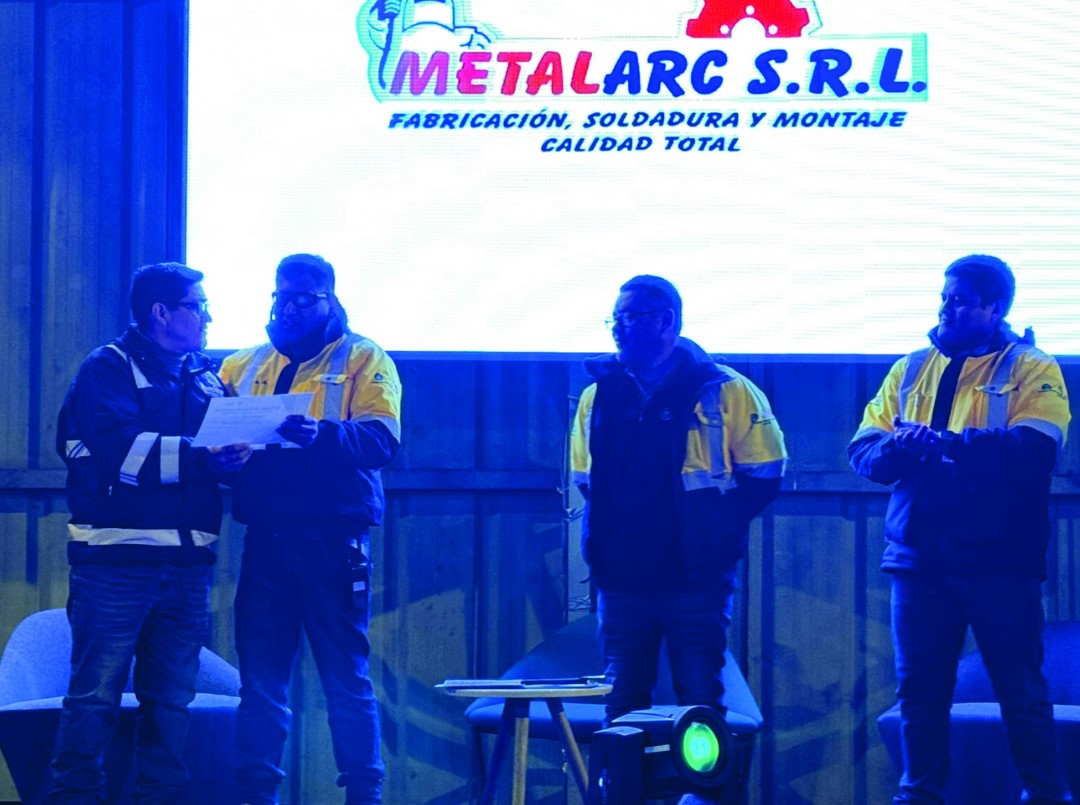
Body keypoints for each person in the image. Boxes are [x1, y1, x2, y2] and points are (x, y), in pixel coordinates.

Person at [848, 254, 1073, 804]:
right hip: (918, 561)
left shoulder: (1033, 368)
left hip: (1001, 564)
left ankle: (1047, 795)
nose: (946, 309)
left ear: (994, 308)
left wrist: (945, 444)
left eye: (960, 300)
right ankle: (919, 797)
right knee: (919, 694)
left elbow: (1035, 449)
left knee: (1021, 693)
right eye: (944, 297)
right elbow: (863, 452)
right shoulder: (910, 368)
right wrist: (902, 447)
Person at [50, 262, 251, 803]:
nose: (208, 317)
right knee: (94, 700)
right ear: (161, 312)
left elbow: (218, 457)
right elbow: (124, 454)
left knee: (171, 703)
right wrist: (206, 457)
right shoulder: (107, 368)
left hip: (188, 564)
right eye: (198, 306)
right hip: (114, 563)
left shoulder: (204, 375)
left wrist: (241, 454)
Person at [219, 254, 402, 805]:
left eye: (305, 298)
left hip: (333, 544)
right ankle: (256, 796)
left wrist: (320, 434)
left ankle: (363, 795)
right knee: (260, 682)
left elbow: (382, 441)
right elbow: (212, 436)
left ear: (330, 299)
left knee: (346, 679)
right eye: (282, 296)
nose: (291, 307)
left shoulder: (364, 357)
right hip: (266, 542)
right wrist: (221, 459)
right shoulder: (240, 365)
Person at [569, 275, 787, 725]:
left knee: (700, 703)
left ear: (666, 321)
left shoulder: (725, 388)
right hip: (621, 577)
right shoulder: (597, 394)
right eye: (615, 319)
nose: (618, 328)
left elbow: (766, 473)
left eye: (630, 318)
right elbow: (585, 479)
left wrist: (714, 529)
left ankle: (701, 776)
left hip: (695, 577)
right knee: (622, 705)